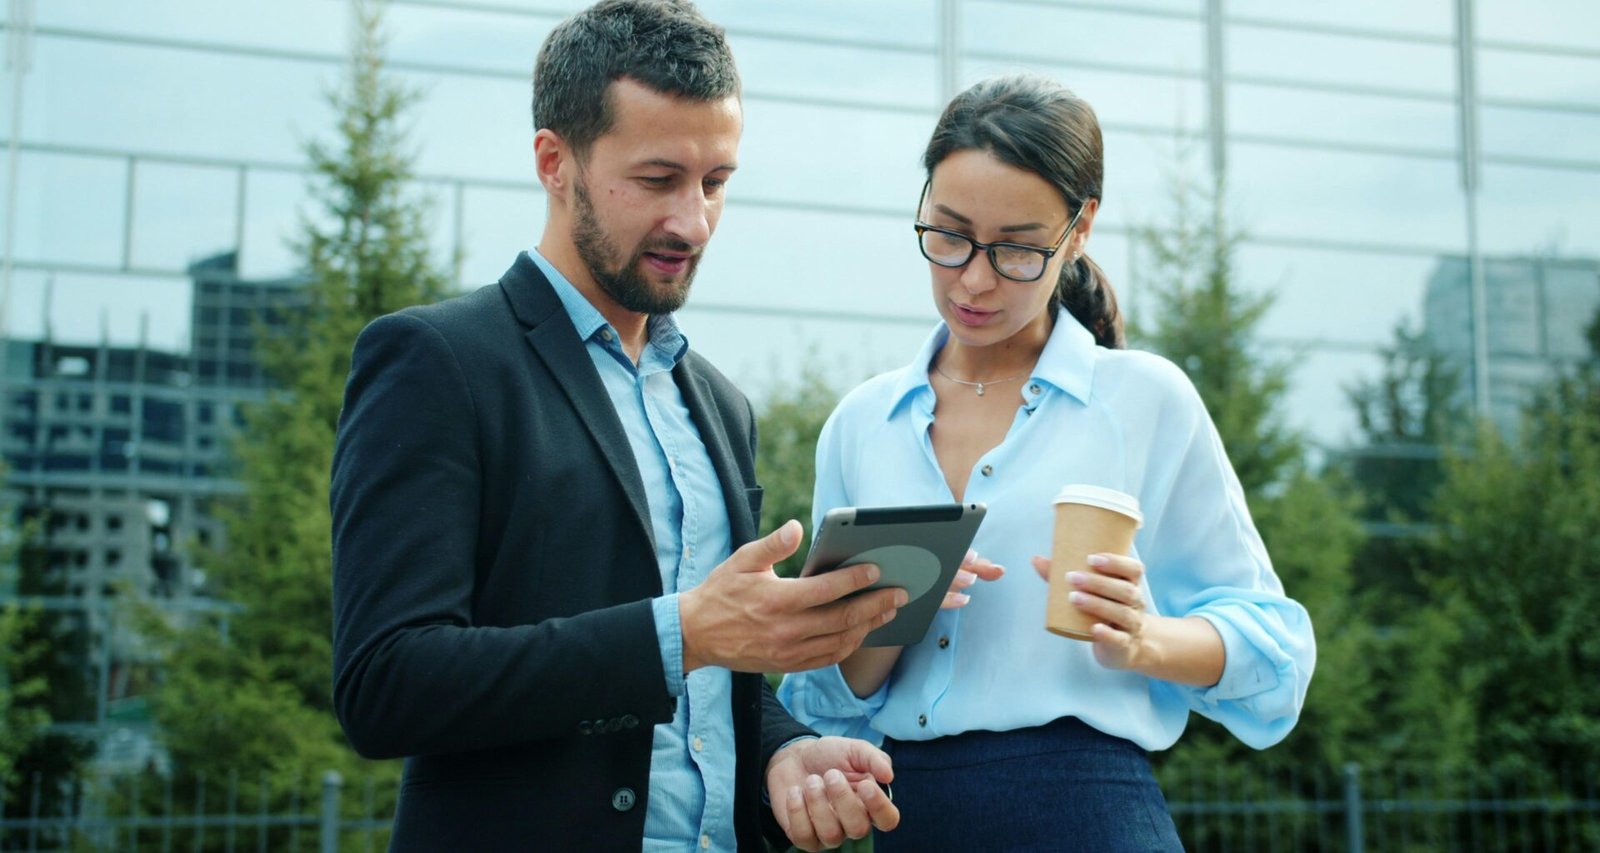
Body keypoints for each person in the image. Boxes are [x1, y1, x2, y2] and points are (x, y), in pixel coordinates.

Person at [329, 2, 906, 849]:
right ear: (554, 163)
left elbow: (711, 681)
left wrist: (783, 752)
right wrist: (681, 632)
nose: (693, 222)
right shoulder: (437, 362)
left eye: (715, 182)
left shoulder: (720, 405)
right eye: (657, 179)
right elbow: (386, 683)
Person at [777, 73, 1317, 852]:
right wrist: (882, 618)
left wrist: (1144, 638)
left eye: (1017, 250)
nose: (974, 278)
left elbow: (1277, 656)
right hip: (912, 821)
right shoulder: (861, 424)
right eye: (949, 235)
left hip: (1092, 816)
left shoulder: (1145, 401)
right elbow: (823, 700)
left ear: (1080, 227)